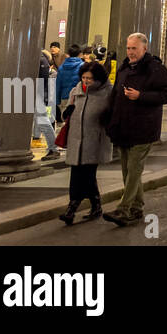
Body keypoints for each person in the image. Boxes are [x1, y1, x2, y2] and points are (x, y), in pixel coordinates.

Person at [103, 33, 167, 226]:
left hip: (143, 127)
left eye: (134, 48)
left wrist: (141, 96)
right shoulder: (124, 68)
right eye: (128, 48)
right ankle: (137, 207)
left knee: (134, 169)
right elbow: (115, 95)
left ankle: (123, 209)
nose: (130, 52)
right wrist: (109, 119)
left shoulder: (155, 68)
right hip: (123, 126)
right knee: (128, 170)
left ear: (144, 48)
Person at [58, 62, 113, 225]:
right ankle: (95, 205)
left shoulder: (107, 92)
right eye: (83, 77)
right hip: (76, 139)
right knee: (78, 174)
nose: (86, 81)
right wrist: (66, 112)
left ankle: (72, 209)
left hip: (94, 140)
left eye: (89, 78)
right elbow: (68, 109)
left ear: (98, 78)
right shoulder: (77, 89)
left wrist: (107, 119)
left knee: (85, 175)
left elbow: (114, 113)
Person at [33, 49, 60, 160]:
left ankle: (53, 148)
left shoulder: (39, 60)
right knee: (42, 120)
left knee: (43, 121)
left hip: (37, 94)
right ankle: (53, 148)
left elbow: (42, 82)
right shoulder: (40, 59)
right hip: (36, 93)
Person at [55, 45, 84, 121]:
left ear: (68, 54)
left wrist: (57, 100)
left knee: (65, 120)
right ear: (80, 54)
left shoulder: (61, 67)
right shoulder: (83, 66)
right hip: (78, 96)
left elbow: (58, 85)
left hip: (64, 97)